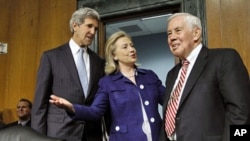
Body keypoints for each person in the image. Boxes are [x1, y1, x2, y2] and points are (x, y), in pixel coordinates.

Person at [49, 31, 166, 141]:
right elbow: (95, 112)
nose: (132, 49)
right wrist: (72, 107)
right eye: (125, 47)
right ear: (114, 55)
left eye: (132, 45)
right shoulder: (108, 83)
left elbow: (169, 101)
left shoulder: (149, 76)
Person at [159, 12, 250, 141]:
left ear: (196, 33)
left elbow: (241, 113)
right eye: (169, 33)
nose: (172, 37)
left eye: (178, 31)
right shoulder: (172, 74)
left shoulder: (224, 59)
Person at [31, 7, 105, 141]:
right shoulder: (51, 57)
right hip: (60, 133)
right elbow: (39, 104)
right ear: (75, 26)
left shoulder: (99, 62)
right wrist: (38, 138)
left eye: (96, 29)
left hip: (92, 134)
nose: (93, 32)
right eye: (89, 26)